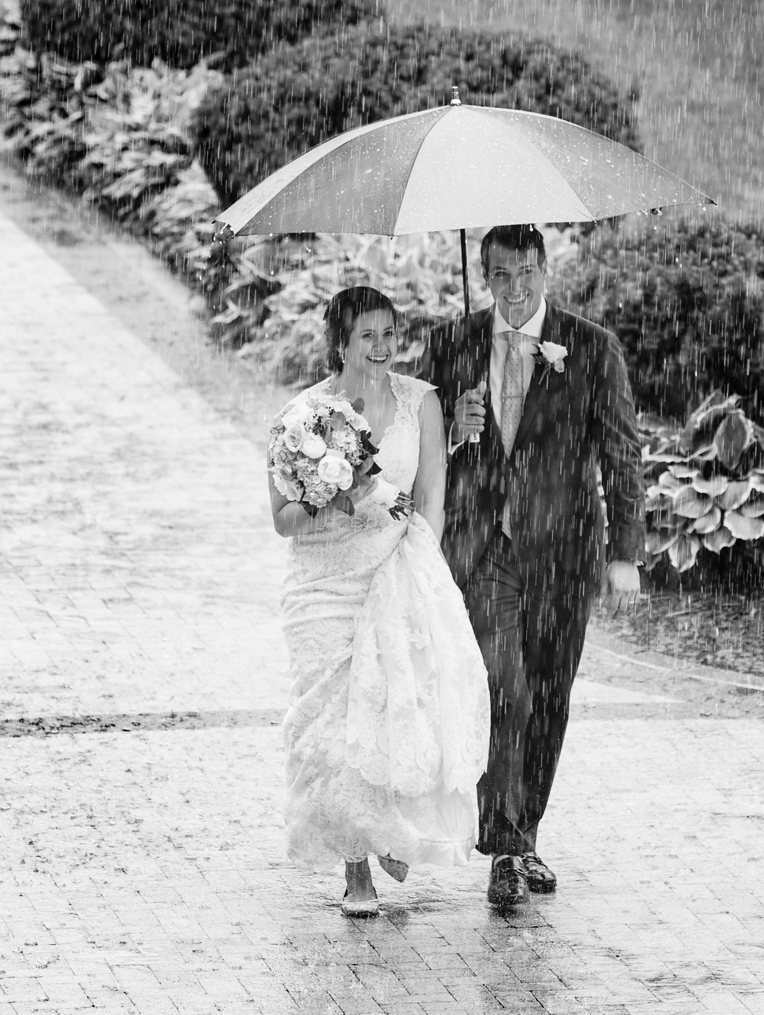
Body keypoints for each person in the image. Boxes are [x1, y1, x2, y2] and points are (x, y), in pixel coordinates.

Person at [422, 224, 645, 909]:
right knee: (502, 686)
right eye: (501, 276)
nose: (516, 290)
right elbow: (420, 447)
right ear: (484, 276)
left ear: (546, 269)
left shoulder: (592, 347)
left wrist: (626, 557)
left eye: (527, 274)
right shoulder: (452, 343)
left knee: (548, 696)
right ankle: (507, 845)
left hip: (563, 552)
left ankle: (527, 832)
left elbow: (621, 455)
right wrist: (455, 431)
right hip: (484, 547)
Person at [270, 285, 490, 917]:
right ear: (339, 342)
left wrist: (425, 564)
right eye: (368, 335)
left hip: (395, 569)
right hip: (323, 586)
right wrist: (328, 496)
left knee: (399, 710)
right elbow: (283, 520)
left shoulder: (421, 401)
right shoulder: (301, 419)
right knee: (337, 730)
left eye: (390, 333)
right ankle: (356, 866)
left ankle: (392, 827)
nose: (382, 346)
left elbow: (430, 497)